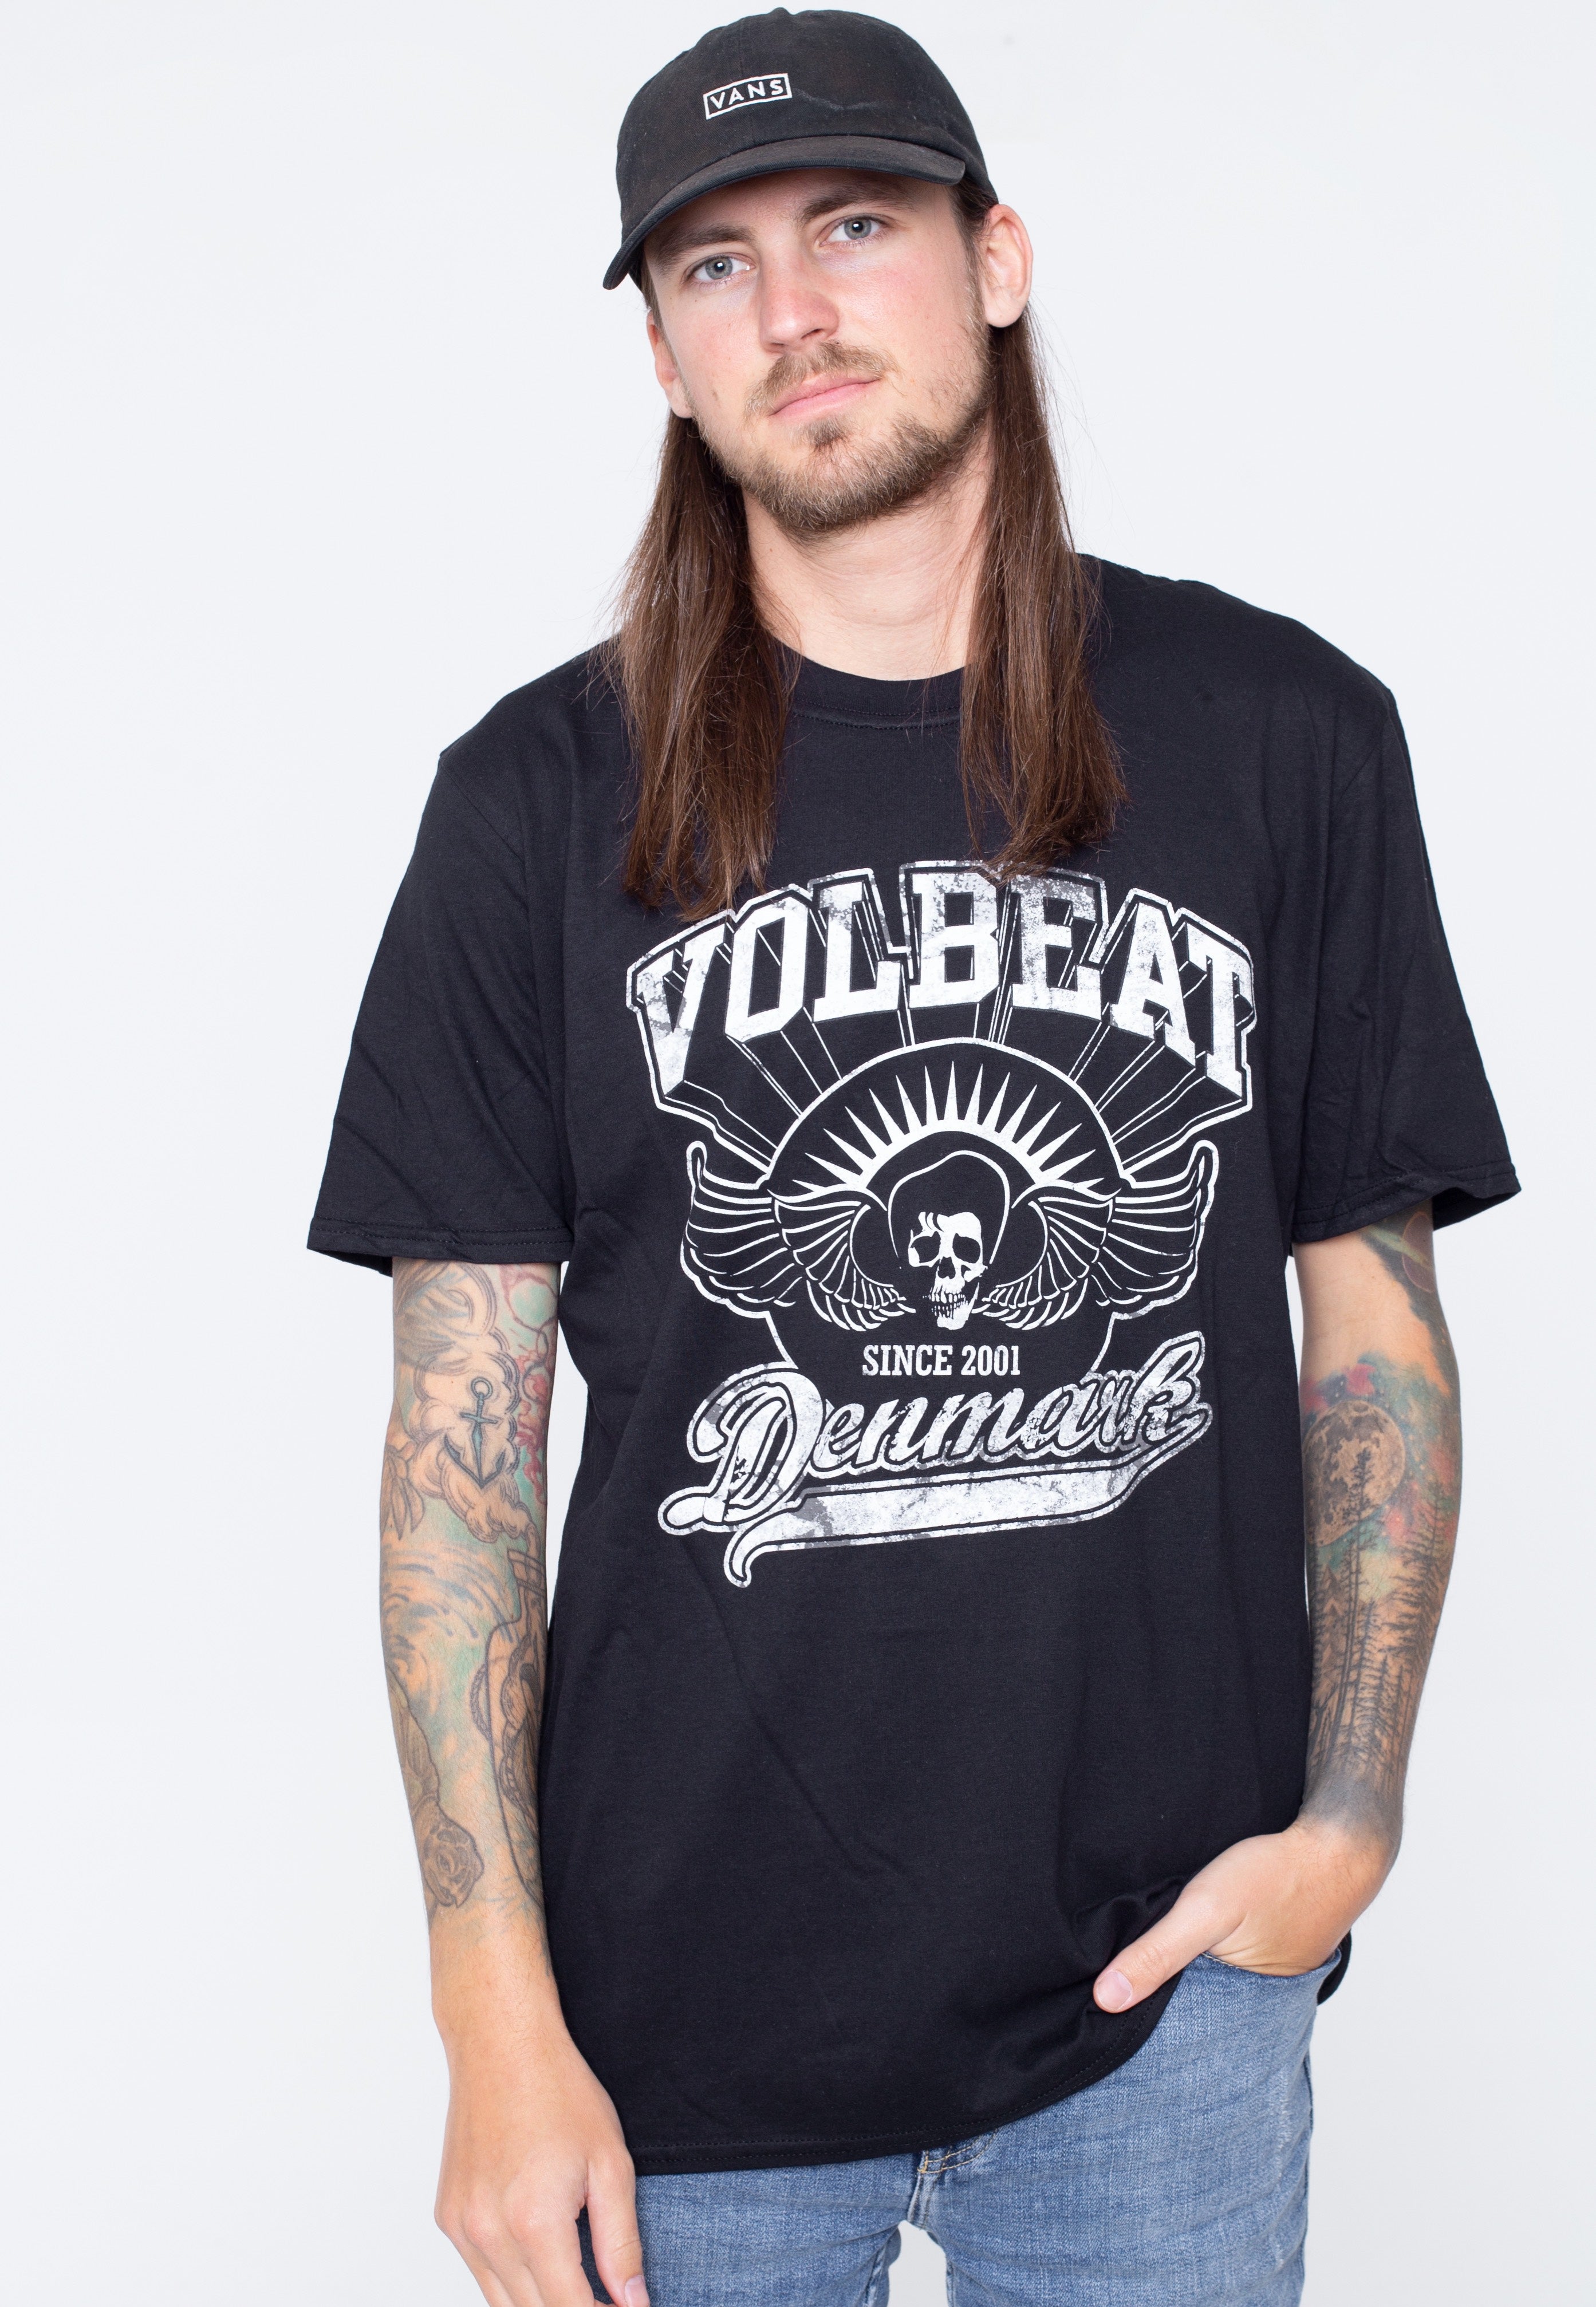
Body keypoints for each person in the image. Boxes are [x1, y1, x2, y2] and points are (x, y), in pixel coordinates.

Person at [310, 11, 1518, 2303]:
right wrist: (490, 2016)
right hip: (665, 2038)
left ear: (994, 261)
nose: (791, 309)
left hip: (1162, 2013)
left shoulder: (1286, 738)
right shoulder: (531, 807)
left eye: (852, 227)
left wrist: (1348, 1823)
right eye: (712, 266)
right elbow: (459, 1447)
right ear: (665, 361)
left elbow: (1369, 1317)